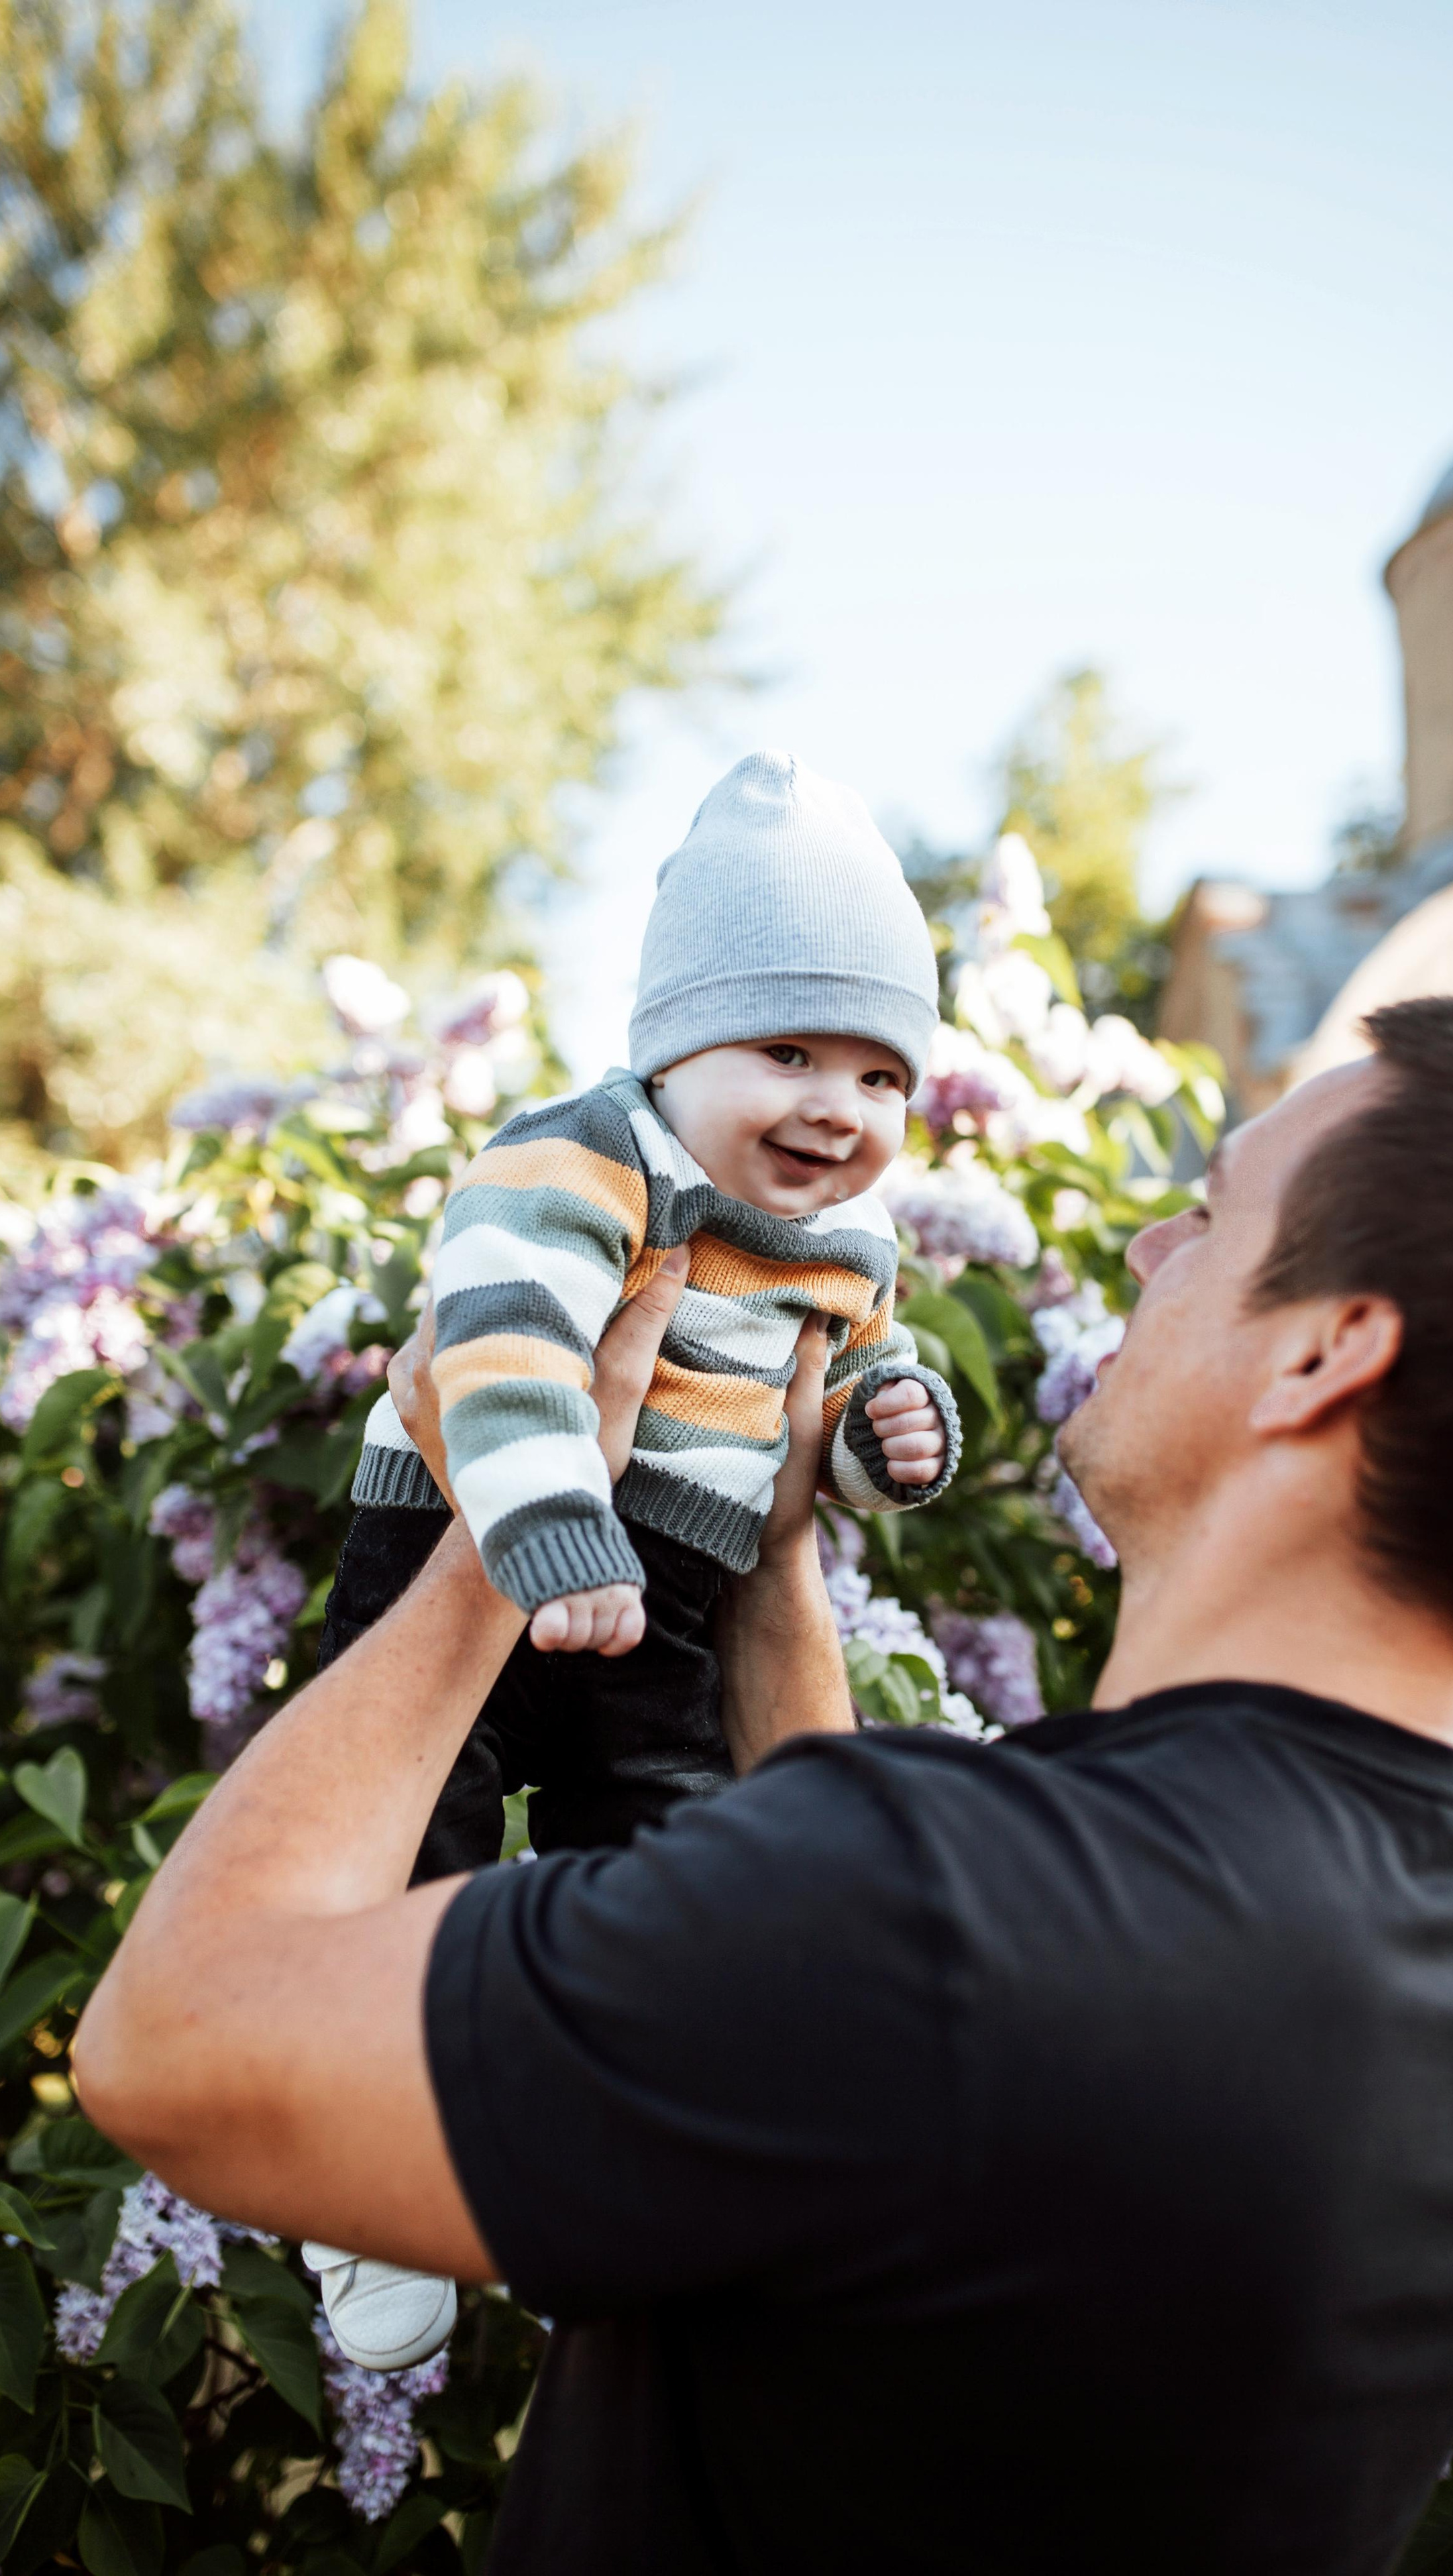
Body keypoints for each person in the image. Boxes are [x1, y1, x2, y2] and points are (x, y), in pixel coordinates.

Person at [75, 994, 1453, 2575]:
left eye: (1208, 1215)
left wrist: (500, 1518)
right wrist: (774, 1561)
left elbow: (174, 2046)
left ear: (1322, 1352)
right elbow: (877, 2090)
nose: (1143, 1248)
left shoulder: (934, 1917)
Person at [308, 748, 959, 2369]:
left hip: (669, 1592)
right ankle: (365, 2179)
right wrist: (543, 1529)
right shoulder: (587, 1153)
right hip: (474, 1528)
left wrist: (890, 1433)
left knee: (667, 1859)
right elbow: (504, 1335)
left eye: (880, 1074)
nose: (837, 1106)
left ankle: (603, 2152)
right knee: (416, 1845)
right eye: (787, 1051)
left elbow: (840, 1382)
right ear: (673, 1048)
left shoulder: (848, 1243)